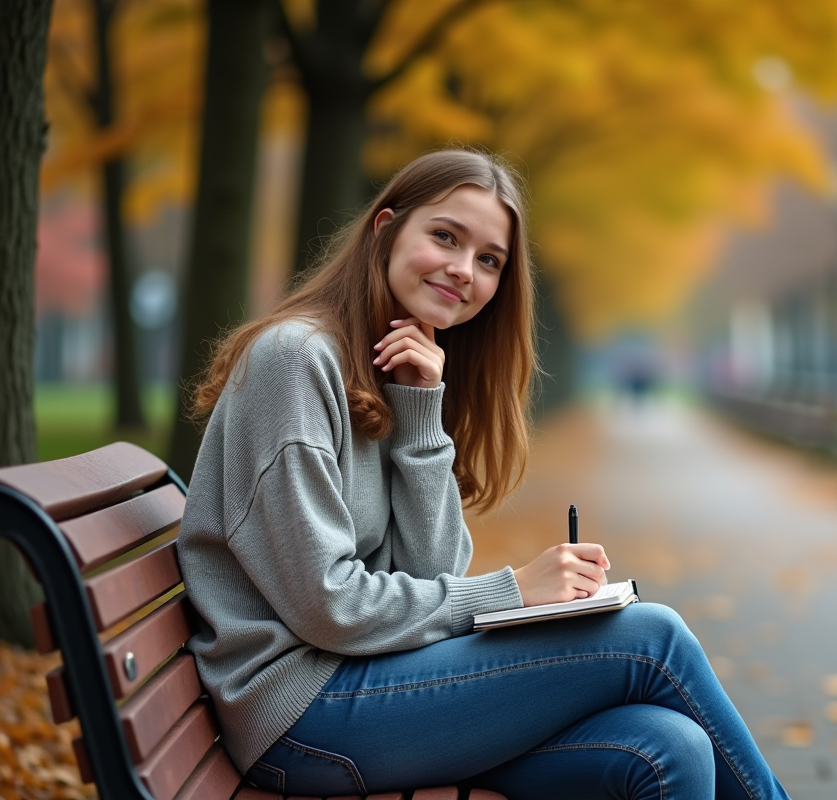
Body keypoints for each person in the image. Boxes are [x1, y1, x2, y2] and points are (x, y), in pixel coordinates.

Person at [177, 149, 792, 800]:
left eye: (489, 259)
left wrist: (420, 416)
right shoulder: (295, 362)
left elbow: (427, 574)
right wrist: (512, 591)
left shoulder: (393, 374)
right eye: (445, 237)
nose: (462, 270)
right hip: (301, 713)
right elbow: (328, 606)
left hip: (367, 685)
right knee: (652, 639)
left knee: (670, 749)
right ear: (385, 229)